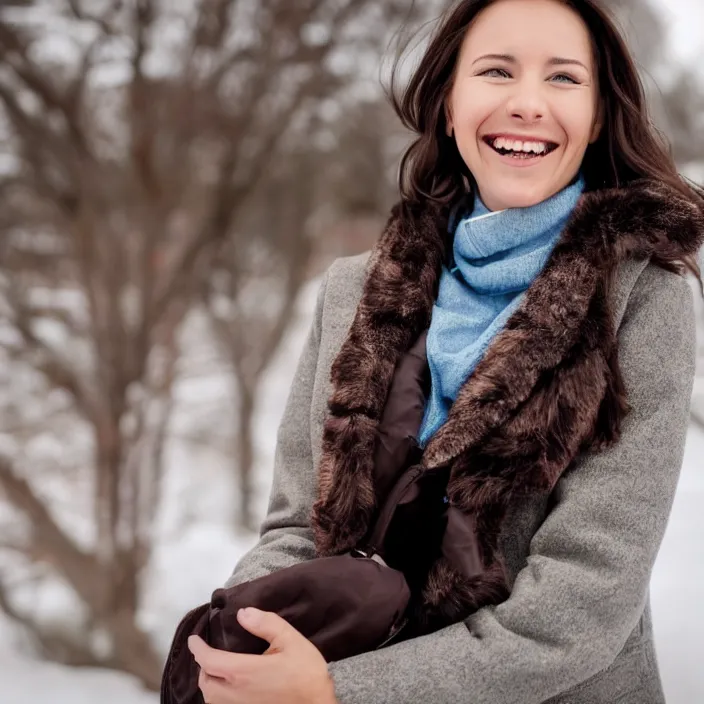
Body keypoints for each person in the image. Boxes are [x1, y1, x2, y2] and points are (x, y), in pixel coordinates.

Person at [186, 0, 704, 702]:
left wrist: (342, 692)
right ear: (451, 105)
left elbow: (585, 601)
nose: (527, 103)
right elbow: (296, 527)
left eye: (562, 78)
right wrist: (242, 647)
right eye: (496, 71)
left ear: (599, 117)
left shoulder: (645, 297)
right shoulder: (351, 291)